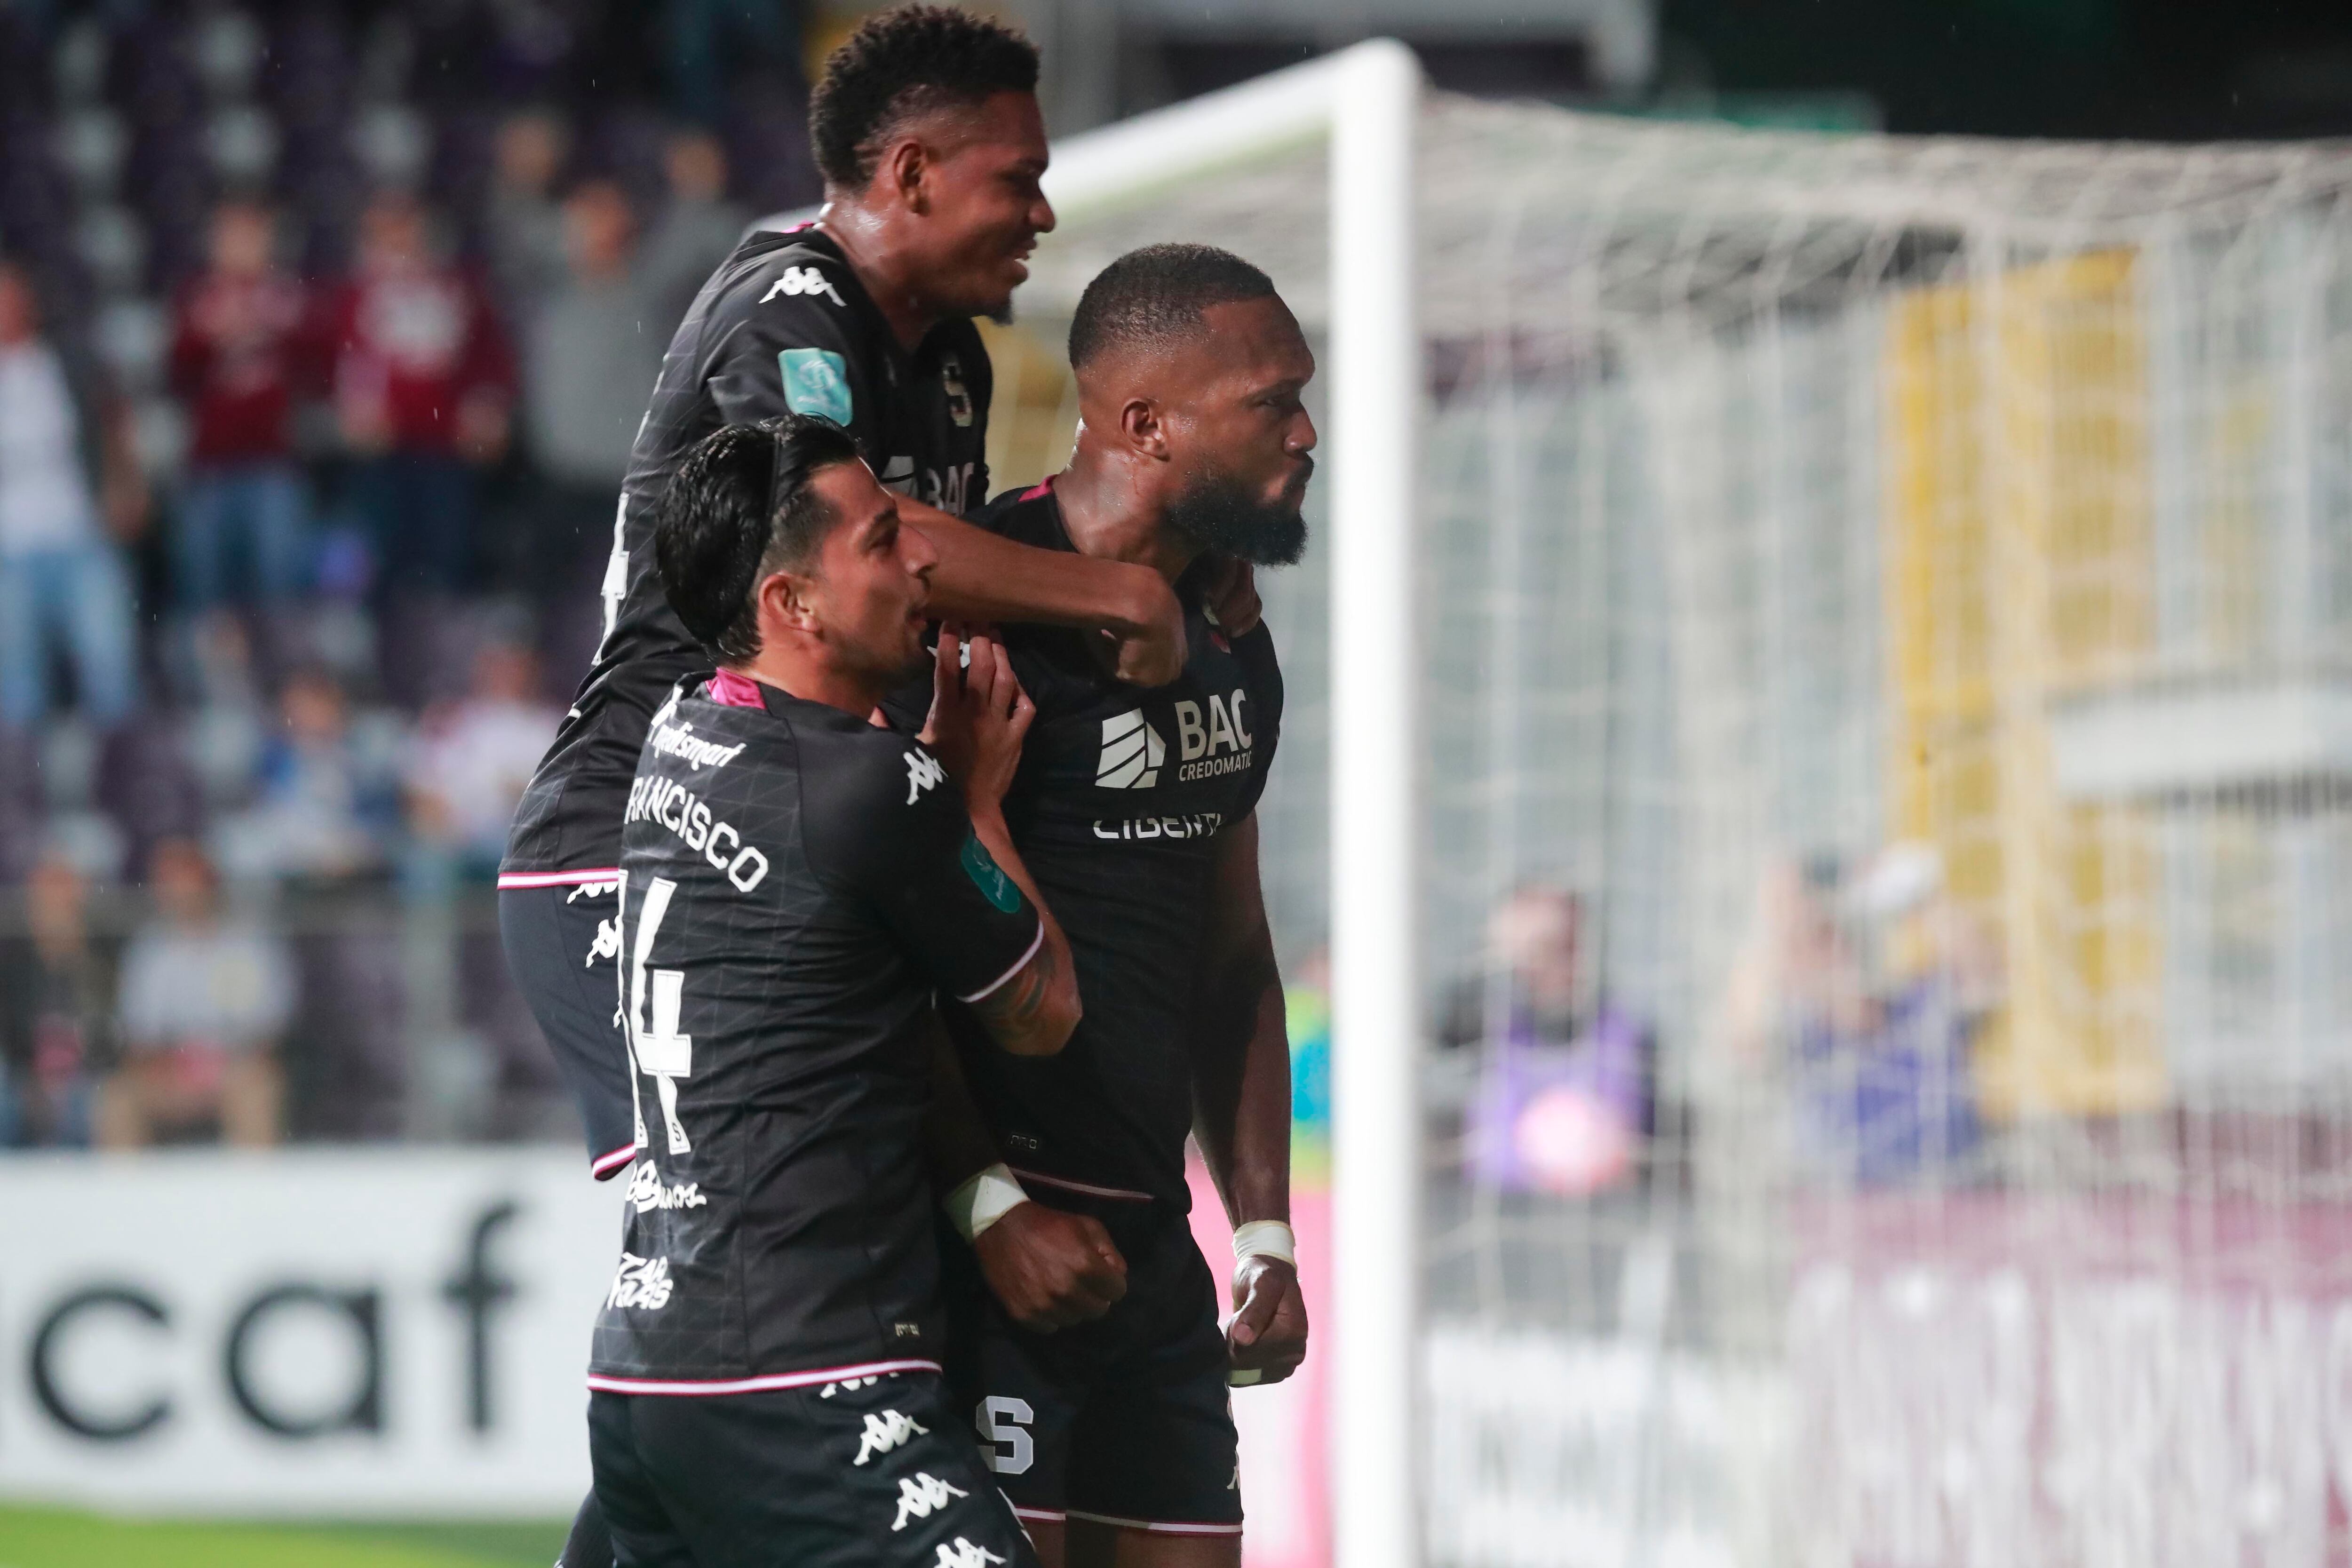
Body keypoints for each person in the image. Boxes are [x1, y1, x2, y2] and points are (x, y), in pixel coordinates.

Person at [503, 17, 1230, 1561]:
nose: (1044, 211)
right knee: (744, 1262)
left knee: (763, 1283)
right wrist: (1108, 597)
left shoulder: (950, 364)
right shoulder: (788, 303)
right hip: (644, 847)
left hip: (808, 828)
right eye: (1015, 178)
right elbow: (862, 533)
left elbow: (915, 587)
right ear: (908, 172)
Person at [588, 415, 1081, 1568]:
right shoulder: (868, 788)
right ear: (794, 603)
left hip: (645, 1372)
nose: (919, 560)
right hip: (803, 1379)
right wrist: (976, 799)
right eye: (881, 540)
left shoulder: (679, 727)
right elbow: (1040, 1008)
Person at [933, 243, 1313, 1566]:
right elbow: (874, 957)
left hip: (1151, 1260)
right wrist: (984, 1203)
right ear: (1148, 423)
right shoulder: (979, 599)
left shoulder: (1236, 642)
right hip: (986, 1259)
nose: (1306, 433)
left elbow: (1233, 957)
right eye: (1274, 403)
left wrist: (1260, 1225)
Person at [323, 191, 515, 598]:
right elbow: (343, 359)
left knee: (448, 559)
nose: (400, 240)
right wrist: (350, 411)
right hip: (382, 449)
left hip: (446, 447)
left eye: (407, 227)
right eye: (388, 230)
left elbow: (489, 358)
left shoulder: (459, 289)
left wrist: (489, 409)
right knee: (382, 565)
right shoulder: (357, 293)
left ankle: (446, 646)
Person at [0, 259, 143, 733]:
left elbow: (110, 425)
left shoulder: (64, 361)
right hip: (9, 547)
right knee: (16, 678)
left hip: (78, 531)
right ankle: (21, 789)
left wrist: (125, 486)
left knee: (108, 657)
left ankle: (127, 766)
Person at [1440, 886, 1653, 1195]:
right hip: (1500, 1205)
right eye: (1536, 948)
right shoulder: (1491, 1024)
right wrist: (1493, 956)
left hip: (1594, 1213)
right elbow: (1444, 1035)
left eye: (1560, 945)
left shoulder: (1625, 1035)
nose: (1548, 961)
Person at [167, 197, 317, 621]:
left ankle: (282, 672)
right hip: (211, 463)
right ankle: (211, 676)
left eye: (251, 238)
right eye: (232, 238)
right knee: (204, 584)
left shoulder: (287, 295)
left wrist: (275, 325)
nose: (242, 249)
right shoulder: (198, 297)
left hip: (272, 459)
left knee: (279, 581)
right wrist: (207, 334)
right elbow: (177, 376)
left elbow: (316, 369)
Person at [100, 838, 294, 1148]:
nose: (179, 893)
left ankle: (254, 1193)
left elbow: (269, 1025)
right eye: (169, 884)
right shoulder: (150, 950)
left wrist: (219, 1061)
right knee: (118, 1096)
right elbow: (139, 1035)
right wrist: (175, 1068)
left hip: (234, 1068)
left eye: (186, 882)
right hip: (170, 1072)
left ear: (208, 883)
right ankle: (125, 1194)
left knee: (257, 1088)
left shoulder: (248, 942)